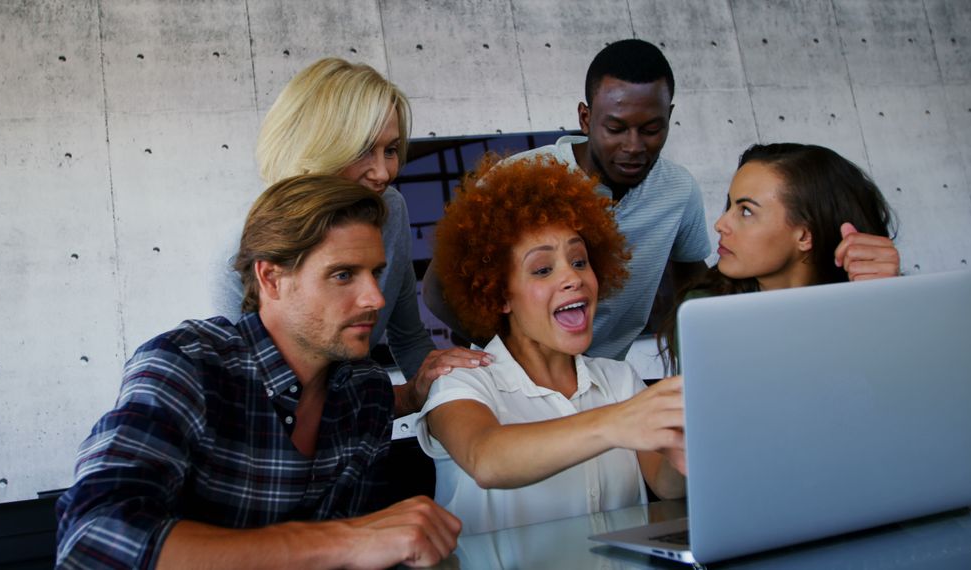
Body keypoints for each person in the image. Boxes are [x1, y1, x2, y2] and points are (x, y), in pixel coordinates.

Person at [57, 176, 461, 569]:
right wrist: (350, 539)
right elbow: (92, 539)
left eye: (375, 272)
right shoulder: (186, 364)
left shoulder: (365, 393)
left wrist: (414, 393)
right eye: (343, 275)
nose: (375, 297)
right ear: (271, 278)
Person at [415, 156, 686, 535]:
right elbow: (487, 458)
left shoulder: (620, 381)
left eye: (579, 261)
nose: (572, 278)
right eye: (543, 269)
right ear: (500, 295)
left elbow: (667, 486)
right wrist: (616, 423)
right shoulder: (462, 381)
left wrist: (688, 441)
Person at [208, 58, 489, 417]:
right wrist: (404, 397)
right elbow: (248, 397)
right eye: (362, 151)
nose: (384, 172)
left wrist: (452, 400)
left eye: (391, 150)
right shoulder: (236, 255)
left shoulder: (391, 209)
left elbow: (408, 337)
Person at [422, 38, 710, 359]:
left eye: (651, 129)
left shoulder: (679, 190)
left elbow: (695, 288)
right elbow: (437, 290)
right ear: (585, 119)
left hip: (605, 384)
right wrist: (523, 360)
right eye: (615, 128)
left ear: (669, 116)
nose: (633, 146)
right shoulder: (519, 178)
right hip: (514, 387)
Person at [657, 142, 901, 369]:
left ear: (805, 236)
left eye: (746, 212)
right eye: (729, 205)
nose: (720, 224)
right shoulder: (705, 312)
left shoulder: (872, 301)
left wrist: (886, 306)